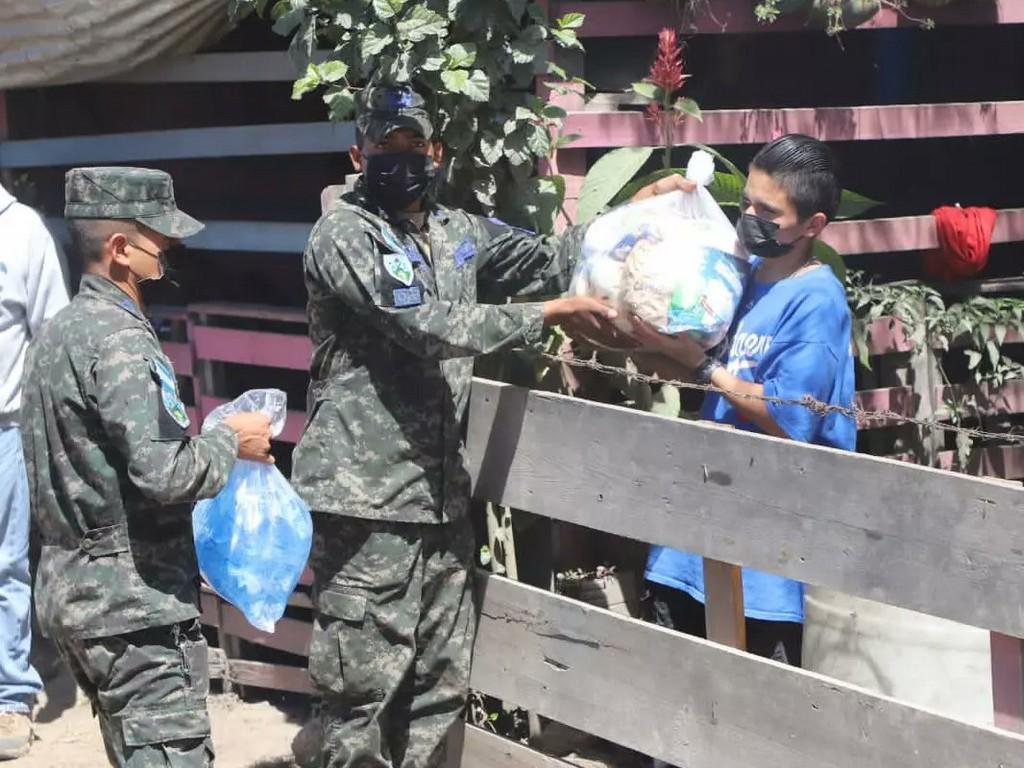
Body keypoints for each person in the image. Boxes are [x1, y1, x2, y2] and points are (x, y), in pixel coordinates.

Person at [292, 82, 693, 768]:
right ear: (359, 154)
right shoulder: (345, 235)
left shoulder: (458, 234)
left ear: (436, 152)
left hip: (441, 499)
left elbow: (549, 259)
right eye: (384, 148)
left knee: (436, 683)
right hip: (367, 504)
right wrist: (548, 314)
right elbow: (428, 326)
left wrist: (629, 212)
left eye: (413, 145)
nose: (400, 159)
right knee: (362, 688)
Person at [19, 167, 274, 768]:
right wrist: (228, 442)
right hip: (134, 612)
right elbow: (161, 472)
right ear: (120, 249)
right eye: (160, 242)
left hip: (77, 600)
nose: (170, 253)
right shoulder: (120, 340)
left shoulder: (58, 334)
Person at [633, 134, 856, 668]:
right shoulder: (739, 276)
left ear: (813, 226)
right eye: (746, 204)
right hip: (691, 542)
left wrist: (704, 366)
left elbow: (790, 416)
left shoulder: (817, 301)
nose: (751, 217)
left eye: (768, 211)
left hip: (766, 563)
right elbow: (693, 369)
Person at [0, 180, 68, 758]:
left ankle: (8, 698)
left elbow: (52, 335)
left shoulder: (20, 230)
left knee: (4, 567)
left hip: (1, 429)